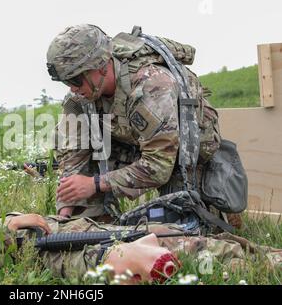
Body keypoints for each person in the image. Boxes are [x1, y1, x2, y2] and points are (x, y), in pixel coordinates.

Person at [46, 24, 238, 225]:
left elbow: (159, 165)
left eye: (75, 79)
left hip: (182, 155)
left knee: (184, 228)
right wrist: (65, 213)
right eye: (65, 81)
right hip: (136, 144)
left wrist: (95, 184)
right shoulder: (79, 98)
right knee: (81, 221)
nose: (72, 88)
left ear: (101, 65)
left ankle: (215, 209)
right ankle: (97, 225)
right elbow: (74, 155)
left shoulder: (151, 86)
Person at [0, 212, 282, 284]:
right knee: (200, 252)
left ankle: (266, 256)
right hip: (88, 255)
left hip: (101, 233)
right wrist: (7, 227)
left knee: (197, 239)